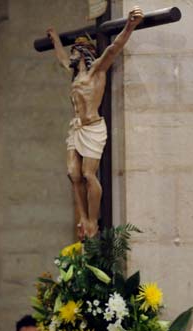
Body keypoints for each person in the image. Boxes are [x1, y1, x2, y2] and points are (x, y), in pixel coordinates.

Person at [46, 6, 144, 239]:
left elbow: (113, 48)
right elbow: (61, 58)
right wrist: (56, 40)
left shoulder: (96, 72)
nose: (72, 55)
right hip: (76, 127)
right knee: (73, 173)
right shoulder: (76, 76)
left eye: (76, 51)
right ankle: (83, 216)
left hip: (92, 127)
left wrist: (130, 26)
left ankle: (92, 220)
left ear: (83, 52)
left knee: (89, 175)